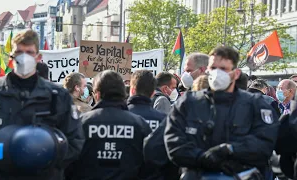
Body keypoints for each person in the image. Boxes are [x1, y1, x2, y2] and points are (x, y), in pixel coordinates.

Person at [0, 30, 84, 180]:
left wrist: (48, 159)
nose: (24, 57)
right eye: (19, 52)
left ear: (38, 57)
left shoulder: (58, 95)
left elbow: (75, 141)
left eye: (29, 52)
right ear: (11, 57)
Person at [164, 46, 279, 179]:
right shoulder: (188, 103)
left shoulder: (255, 105)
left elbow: (264, 143)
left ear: (236, 73)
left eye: (223, 69)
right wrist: (202, 158)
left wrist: (230, 150)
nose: (217, 73)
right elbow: (174, 142)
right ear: (207, 70)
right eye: (213, 68)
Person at [68, 70, 152, 180]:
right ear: (123, 93)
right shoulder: (140, 125)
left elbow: (69, 163)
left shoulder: (82, 123)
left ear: (97, 94)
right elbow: (150, 165)